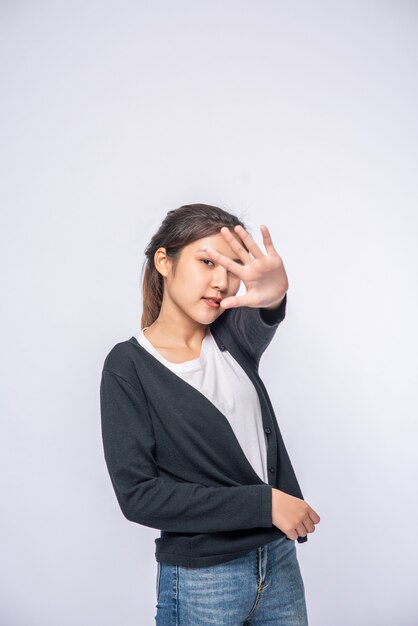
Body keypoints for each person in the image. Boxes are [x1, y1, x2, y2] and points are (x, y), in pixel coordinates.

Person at [100, 203, 320, 625]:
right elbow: (138, 495)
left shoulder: (232, 339)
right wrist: (264, 504)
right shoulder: (128, 366)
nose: (221, 281)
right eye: (206, 262)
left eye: (231, 267)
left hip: (277, 564)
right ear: (164, 261)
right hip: (203, 579)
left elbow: (267, 312)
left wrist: (275, 295)